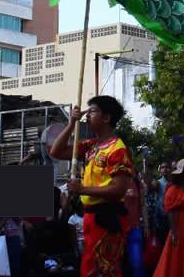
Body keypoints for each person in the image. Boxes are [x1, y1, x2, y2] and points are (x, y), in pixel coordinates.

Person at [50, 95, 135, 277]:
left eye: (92, 111)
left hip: (107, 218)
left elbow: (119, 189)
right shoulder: (91, 146)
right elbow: (56, 151)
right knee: (89, 268)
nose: (87, 115)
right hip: (90, 217)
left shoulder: (117, 149)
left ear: (106, 117)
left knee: (104, 269)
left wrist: (82, 189)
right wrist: (71, 124)